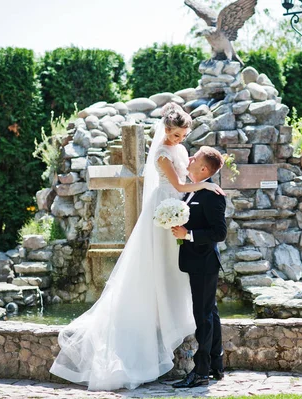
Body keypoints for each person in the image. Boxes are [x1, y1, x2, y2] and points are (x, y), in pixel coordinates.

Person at [49, 102, 225, 391]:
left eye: (183, 136)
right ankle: (161, 321)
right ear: (166, 130)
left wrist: (198, 195)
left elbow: (189, 186)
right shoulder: (162, 154)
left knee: (195, 292)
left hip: (181, 220)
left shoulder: (181, 152)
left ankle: (206, 357)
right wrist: (205, 185)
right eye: (177, 135)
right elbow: (181, 187)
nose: (182, 142)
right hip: (164, 212)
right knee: (159, 271)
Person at [171, 146, 227, 388]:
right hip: (195, 261)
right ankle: (216, 365)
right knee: (210, 312)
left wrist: (188, 234)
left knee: (202, 317)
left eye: (195, 157)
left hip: (205, 262)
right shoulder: (194, 191)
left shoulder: (213, 194)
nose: (190, 158)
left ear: (204, 168)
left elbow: (219, 233)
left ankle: (201, 372)